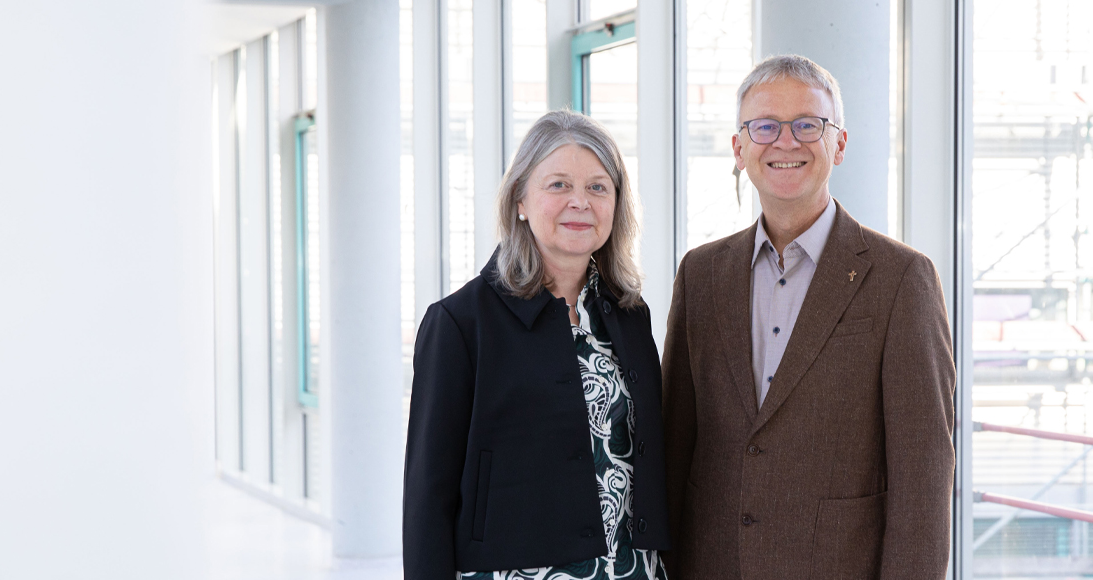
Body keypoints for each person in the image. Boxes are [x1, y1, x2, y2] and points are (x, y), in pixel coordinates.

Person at [661, 54, 956, 579]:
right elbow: (675, 446)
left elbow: (924, 476)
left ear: (838, 144)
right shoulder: (700, 275)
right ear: (739, 148)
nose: (786, 142)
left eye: (807, 125)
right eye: (765, 126)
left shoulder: (901, 278)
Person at [406, 110, 670, 580]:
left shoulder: (630, 315)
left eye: (597, 187)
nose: (580, 202)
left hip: (630, 570)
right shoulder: (460, 323)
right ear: (520, 200)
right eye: (558, 185)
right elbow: (428, 495)